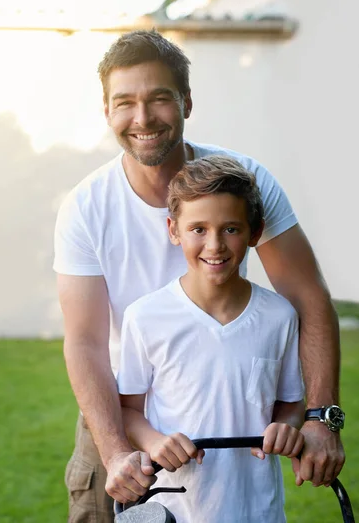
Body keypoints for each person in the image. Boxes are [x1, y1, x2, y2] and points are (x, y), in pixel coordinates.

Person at [54, 30, 345, 522]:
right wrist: (115, 453)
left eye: (159, 99)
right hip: (125, 407)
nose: (142, 118)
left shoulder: (243, 181)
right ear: (107, 111)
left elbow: (307, 297)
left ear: (187, 101)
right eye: (124, 102)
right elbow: (84, 343)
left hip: (229, 413)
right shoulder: (86, 208)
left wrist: (318, 418)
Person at [117, 155, 305, 523]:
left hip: (258, 509)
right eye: (198, 229)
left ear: (254, 232)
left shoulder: (279, 316)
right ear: (174, 230)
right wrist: (155, 442)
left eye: (231, 229)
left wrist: (287, 427)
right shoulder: (145, 317)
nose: (215, 244)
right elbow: (127, 409)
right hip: (175, 509)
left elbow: (291, 403)